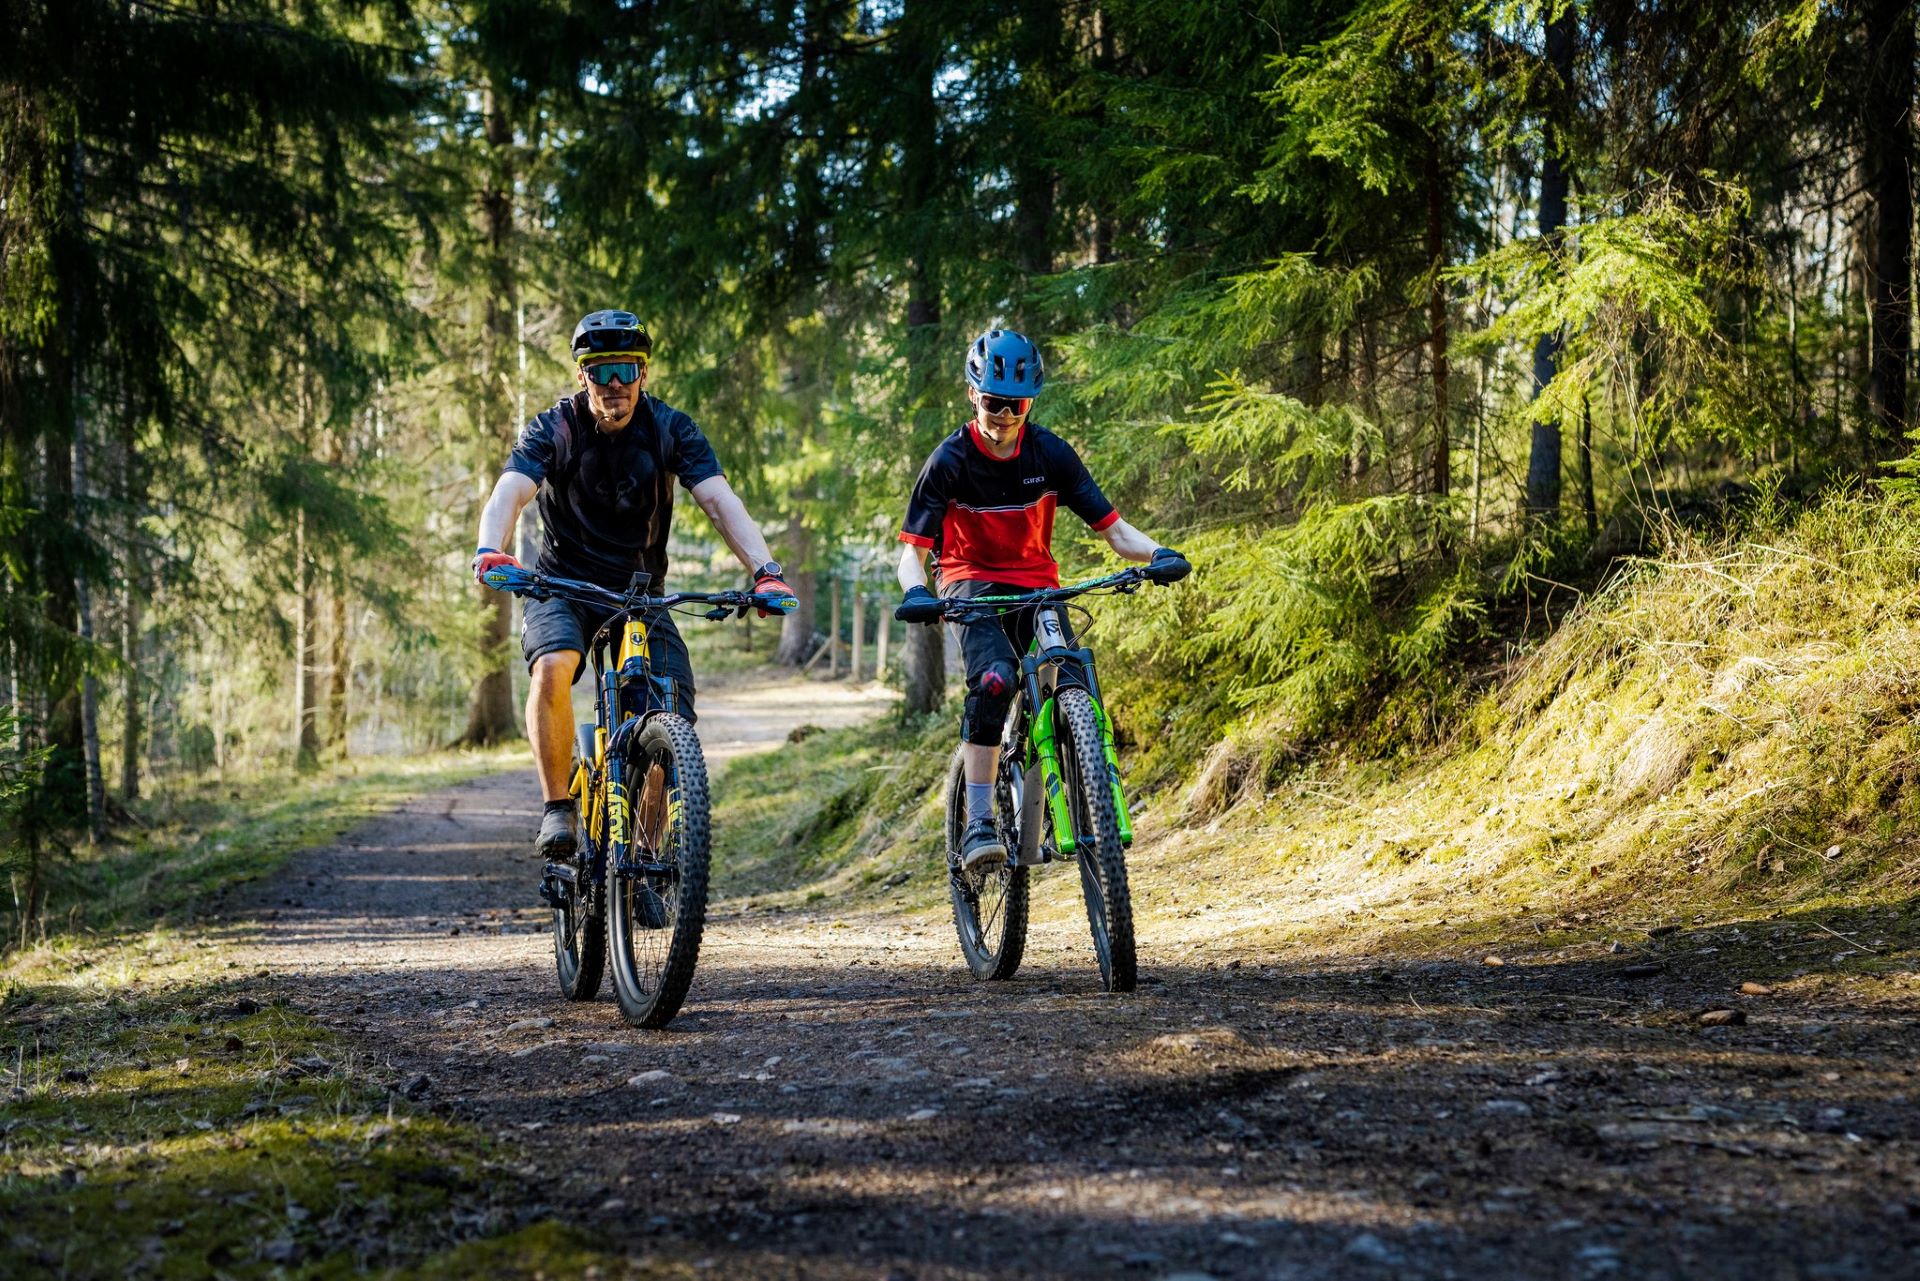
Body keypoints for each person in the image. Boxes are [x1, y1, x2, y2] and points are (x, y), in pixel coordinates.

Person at [471, 310, 793, 859]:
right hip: (562, 586)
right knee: (554, 667)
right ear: (583, 376)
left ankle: (643, 853)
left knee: (670, 713)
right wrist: (489, 548)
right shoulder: (557, 427)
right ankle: (557, 809)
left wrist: (765, 572)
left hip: (641, 594)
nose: (614, 383)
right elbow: (510, 491)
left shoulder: (671, 428)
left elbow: (719, 501)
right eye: (601, 370)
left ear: (643, 373)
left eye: (626, 368)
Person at [894, 329, 1189, 872]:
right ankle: (980, 819)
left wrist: (1159, 554)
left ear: (1030, 402)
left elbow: (1116, 531)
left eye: (1017, 405)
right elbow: (910, 552)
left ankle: (1085, 787)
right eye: (992, 402)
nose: (1004, 415)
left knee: (1070, 675)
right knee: (995, 679)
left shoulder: (1050, 453)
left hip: (1037, 583)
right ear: (972, 395)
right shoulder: (949, 460)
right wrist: (918, 591)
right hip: (969, 583)